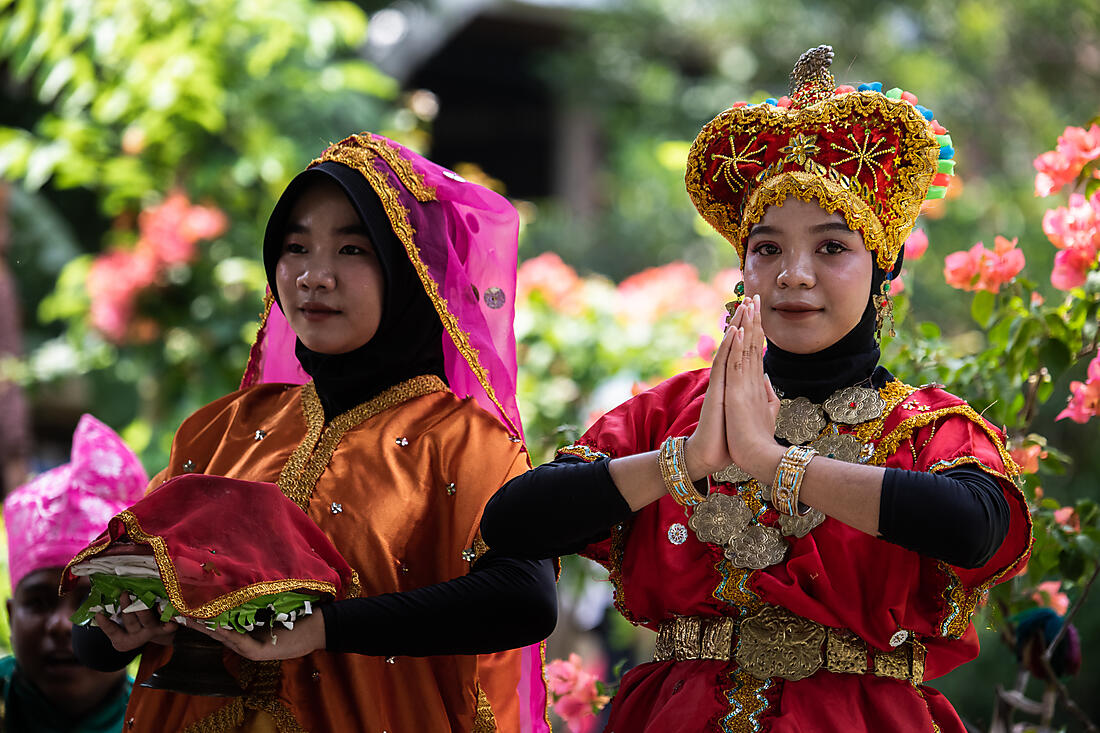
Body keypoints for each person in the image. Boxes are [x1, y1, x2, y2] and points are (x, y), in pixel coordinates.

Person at [480, 46, 1032, 731]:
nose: (793, 274)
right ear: (744, 268)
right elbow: (510, 521)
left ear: (882, 271)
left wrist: (775, 462)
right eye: (767, 248)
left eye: (831, 247)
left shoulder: (926, 428)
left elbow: (978, 526)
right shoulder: (672, 414)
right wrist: (687, 461)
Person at [72, 133, 557, 732]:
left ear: (412, 272)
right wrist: (120, 626)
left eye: (353, 249)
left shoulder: (463, 443)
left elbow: (523, 599)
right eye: (295, 247)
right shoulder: (224, 428)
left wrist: (325, 629)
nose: (314, 276)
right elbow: (92, 638)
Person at [2, 414, 147, 732]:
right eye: (38, 603)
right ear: (11, 616)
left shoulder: (168, 720)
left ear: (138, 614)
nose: (62, 625)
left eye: (93, 598)